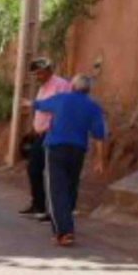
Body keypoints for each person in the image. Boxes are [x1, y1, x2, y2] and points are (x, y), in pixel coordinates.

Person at [33, 74, 108, 247]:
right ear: (88, 89)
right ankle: (66, 224)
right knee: (70, 187)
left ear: (72, 86)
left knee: (56, 189)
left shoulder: (61, 99)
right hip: (78, 151)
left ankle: (64, 232)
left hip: (56, 148)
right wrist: (100, 160)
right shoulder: (93, 106)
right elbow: (99, 136)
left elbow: (41, 105)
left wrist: (29, 103)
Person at [20, 57, 72, 221]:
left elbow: (63, 109)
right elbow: (41, 111)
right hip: (40, 135)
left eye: (39, 73)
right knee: (34, 169)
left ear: (48, 70)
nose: (37, 77)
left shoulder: (61, 85)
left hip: (52, 135)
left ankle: (52, 210)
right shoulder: (43, 87)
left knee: (51, 173)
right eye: (35, 74)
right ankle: (38, 205)